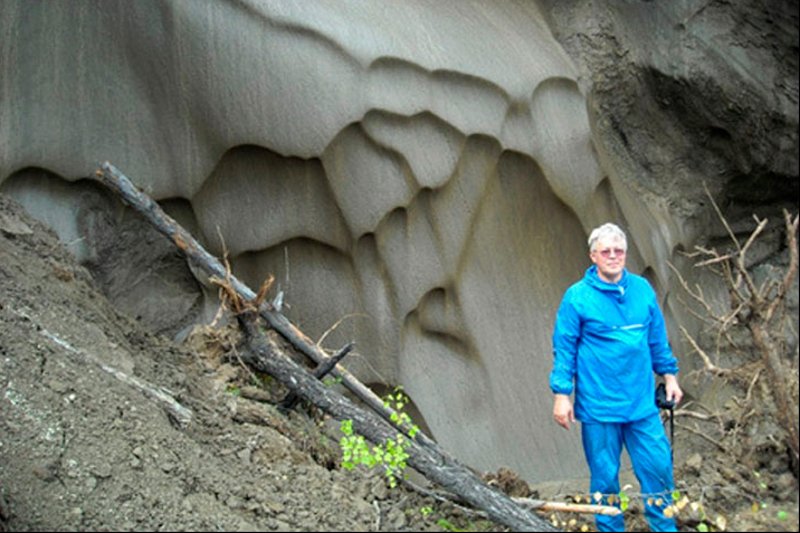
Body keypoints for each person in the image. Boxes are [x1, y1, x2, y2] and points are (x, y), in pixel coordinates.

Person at [549, 222, 683, 532]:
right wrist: (561, 395)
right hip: (599, 407)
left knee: (658, 469)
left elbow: (657, 340)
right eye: (606, 251)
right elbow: (564, 348)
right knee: (605, 479)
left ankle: (665, 528)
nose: (613, 256)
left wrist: (670, 376)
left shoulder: (642, 290)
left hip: (641, 405)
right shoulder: (577, 298)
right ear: (593, 256)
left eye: (619, 250)